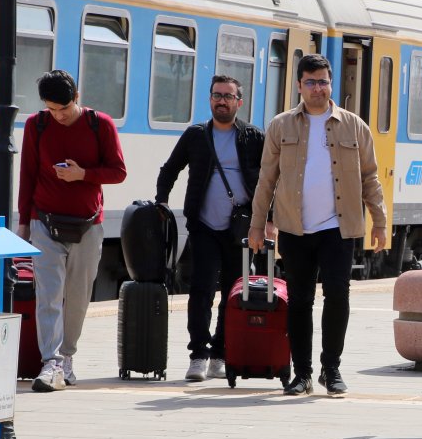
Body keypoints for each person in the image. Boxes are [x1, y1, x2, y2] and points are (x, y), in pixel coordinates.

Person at [248, 54, 387, 397]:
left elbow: (370, 176)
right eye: (310, 82)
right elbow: (267, 178)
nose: (317, 88)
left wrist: (380, 222)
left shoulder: (354, 125)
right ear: (299, 86)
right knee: (299, 300)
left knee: (338, 294)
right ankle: (303, 373)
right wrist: (256, 225)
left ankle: (332, 368)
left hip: (339, 227)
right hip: (295, 227)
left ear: (330, 84)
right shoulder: (281, 125)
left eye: (323, 81)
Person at [16, 70, 127, 392]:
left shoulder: (99, 124)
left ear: (76, 98)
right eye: (52, 109)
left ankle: (67, 356)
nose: (59, 116)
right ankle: (50, 360)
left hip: (87, 224)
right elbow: (28, 174)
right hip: (44, 220)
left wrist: (83, 175)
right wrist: (24, 221)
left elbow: (118, 172)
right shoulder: (36, 125)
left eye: (63, 109)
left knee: (77, 298)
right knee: (48, 295)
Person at [156, 75, 269, 382]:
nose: (222, 101)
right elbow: (170, 169)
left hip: (240, 229)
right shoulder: (196, 135)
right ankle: (198, 355)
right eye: (217, 95)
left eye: (228, 96)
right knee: (201, 291)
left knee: (233, 293)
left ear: (239, 102)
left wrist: (268, 219)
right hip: (204, 226)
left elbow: (271, 179)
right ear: (210, 100)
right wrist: (161, 202)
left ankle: (220, 353)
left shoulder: (253, 137)